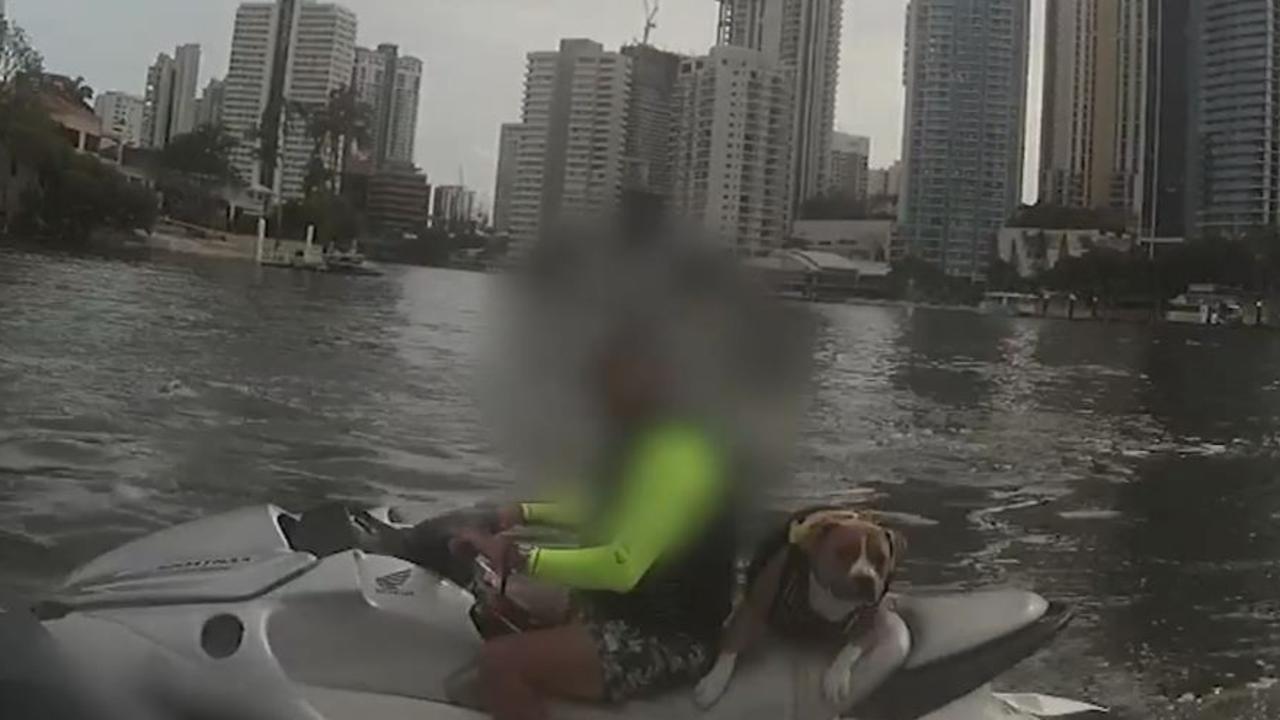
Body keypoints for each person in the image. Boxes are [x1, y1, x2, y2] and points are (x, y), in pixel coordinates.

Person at [451, 338, 735, 720]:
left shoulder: (680, 461)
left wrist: (521, 558)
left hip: (668, 637)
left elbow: (622, 567)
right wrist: (521, 513)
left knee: (500, 662)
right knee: (493, 609)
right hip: (625, 609)